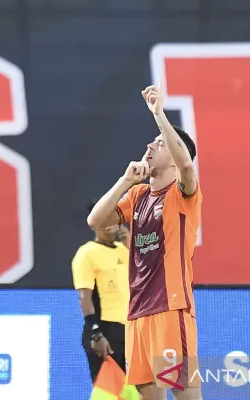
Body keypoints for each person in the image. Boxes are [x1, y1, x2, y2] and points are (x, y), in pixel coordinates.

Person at [87, 80, 203, 400]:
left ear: (175, 155)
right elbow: (95, 221)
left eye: (160, 143)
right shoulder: (137, 195)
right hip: (138, 312)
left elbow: (186, 165)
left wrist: (159, 114)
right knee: (148, 395)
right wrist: (125, 181)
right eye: (152, 141)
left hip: (170, 308)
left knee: (184, 392)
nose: (150, 146)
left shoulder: (183, 194)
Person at [72, 199, 131, 383]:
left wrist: (130, 243)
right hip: (105, 330)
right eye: (104, 221)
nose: (111, 226)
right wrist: (96, 334)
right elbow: (85, 298)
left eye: (114, 220)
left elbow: (148, 277)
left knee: (129, 393)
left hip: (128, 330)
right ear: (94, 224)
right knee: (108, 391)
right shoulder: (87, 253)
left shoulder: (124, 249)